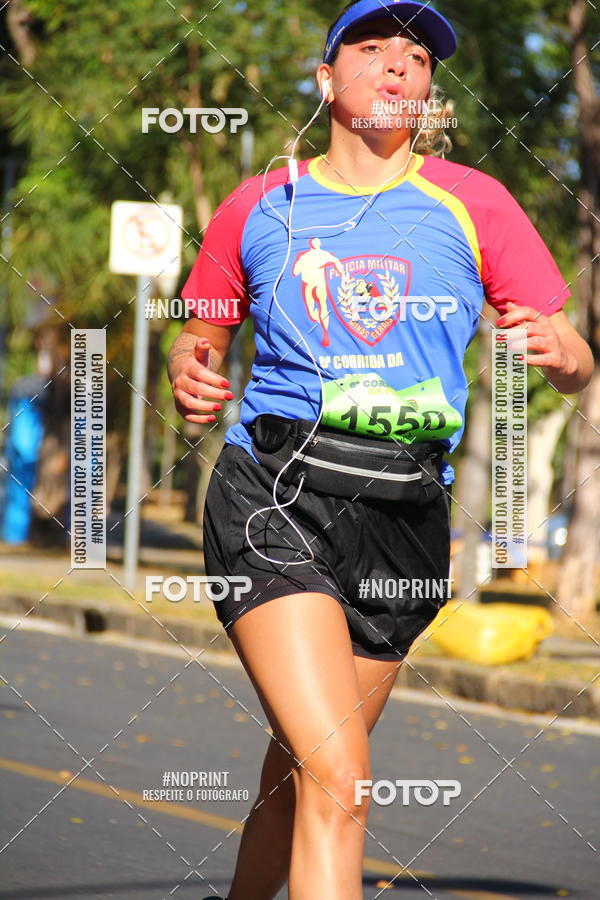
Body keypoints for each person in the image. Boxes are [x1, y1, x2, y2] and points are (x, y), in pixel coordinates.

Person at [168, 2, 593, 897]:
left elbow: (572, 356)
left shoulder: (475, 202)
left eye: (417, 56)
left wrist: (565, 354)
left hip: (404, 518)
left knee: (299, 773)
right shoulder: (262, 201)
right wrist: (189, 368)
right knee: (341, 779)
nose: (399, 65)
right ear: (326, 81)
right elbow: (200, 330)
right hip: (276, 495)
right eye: (372, 49)